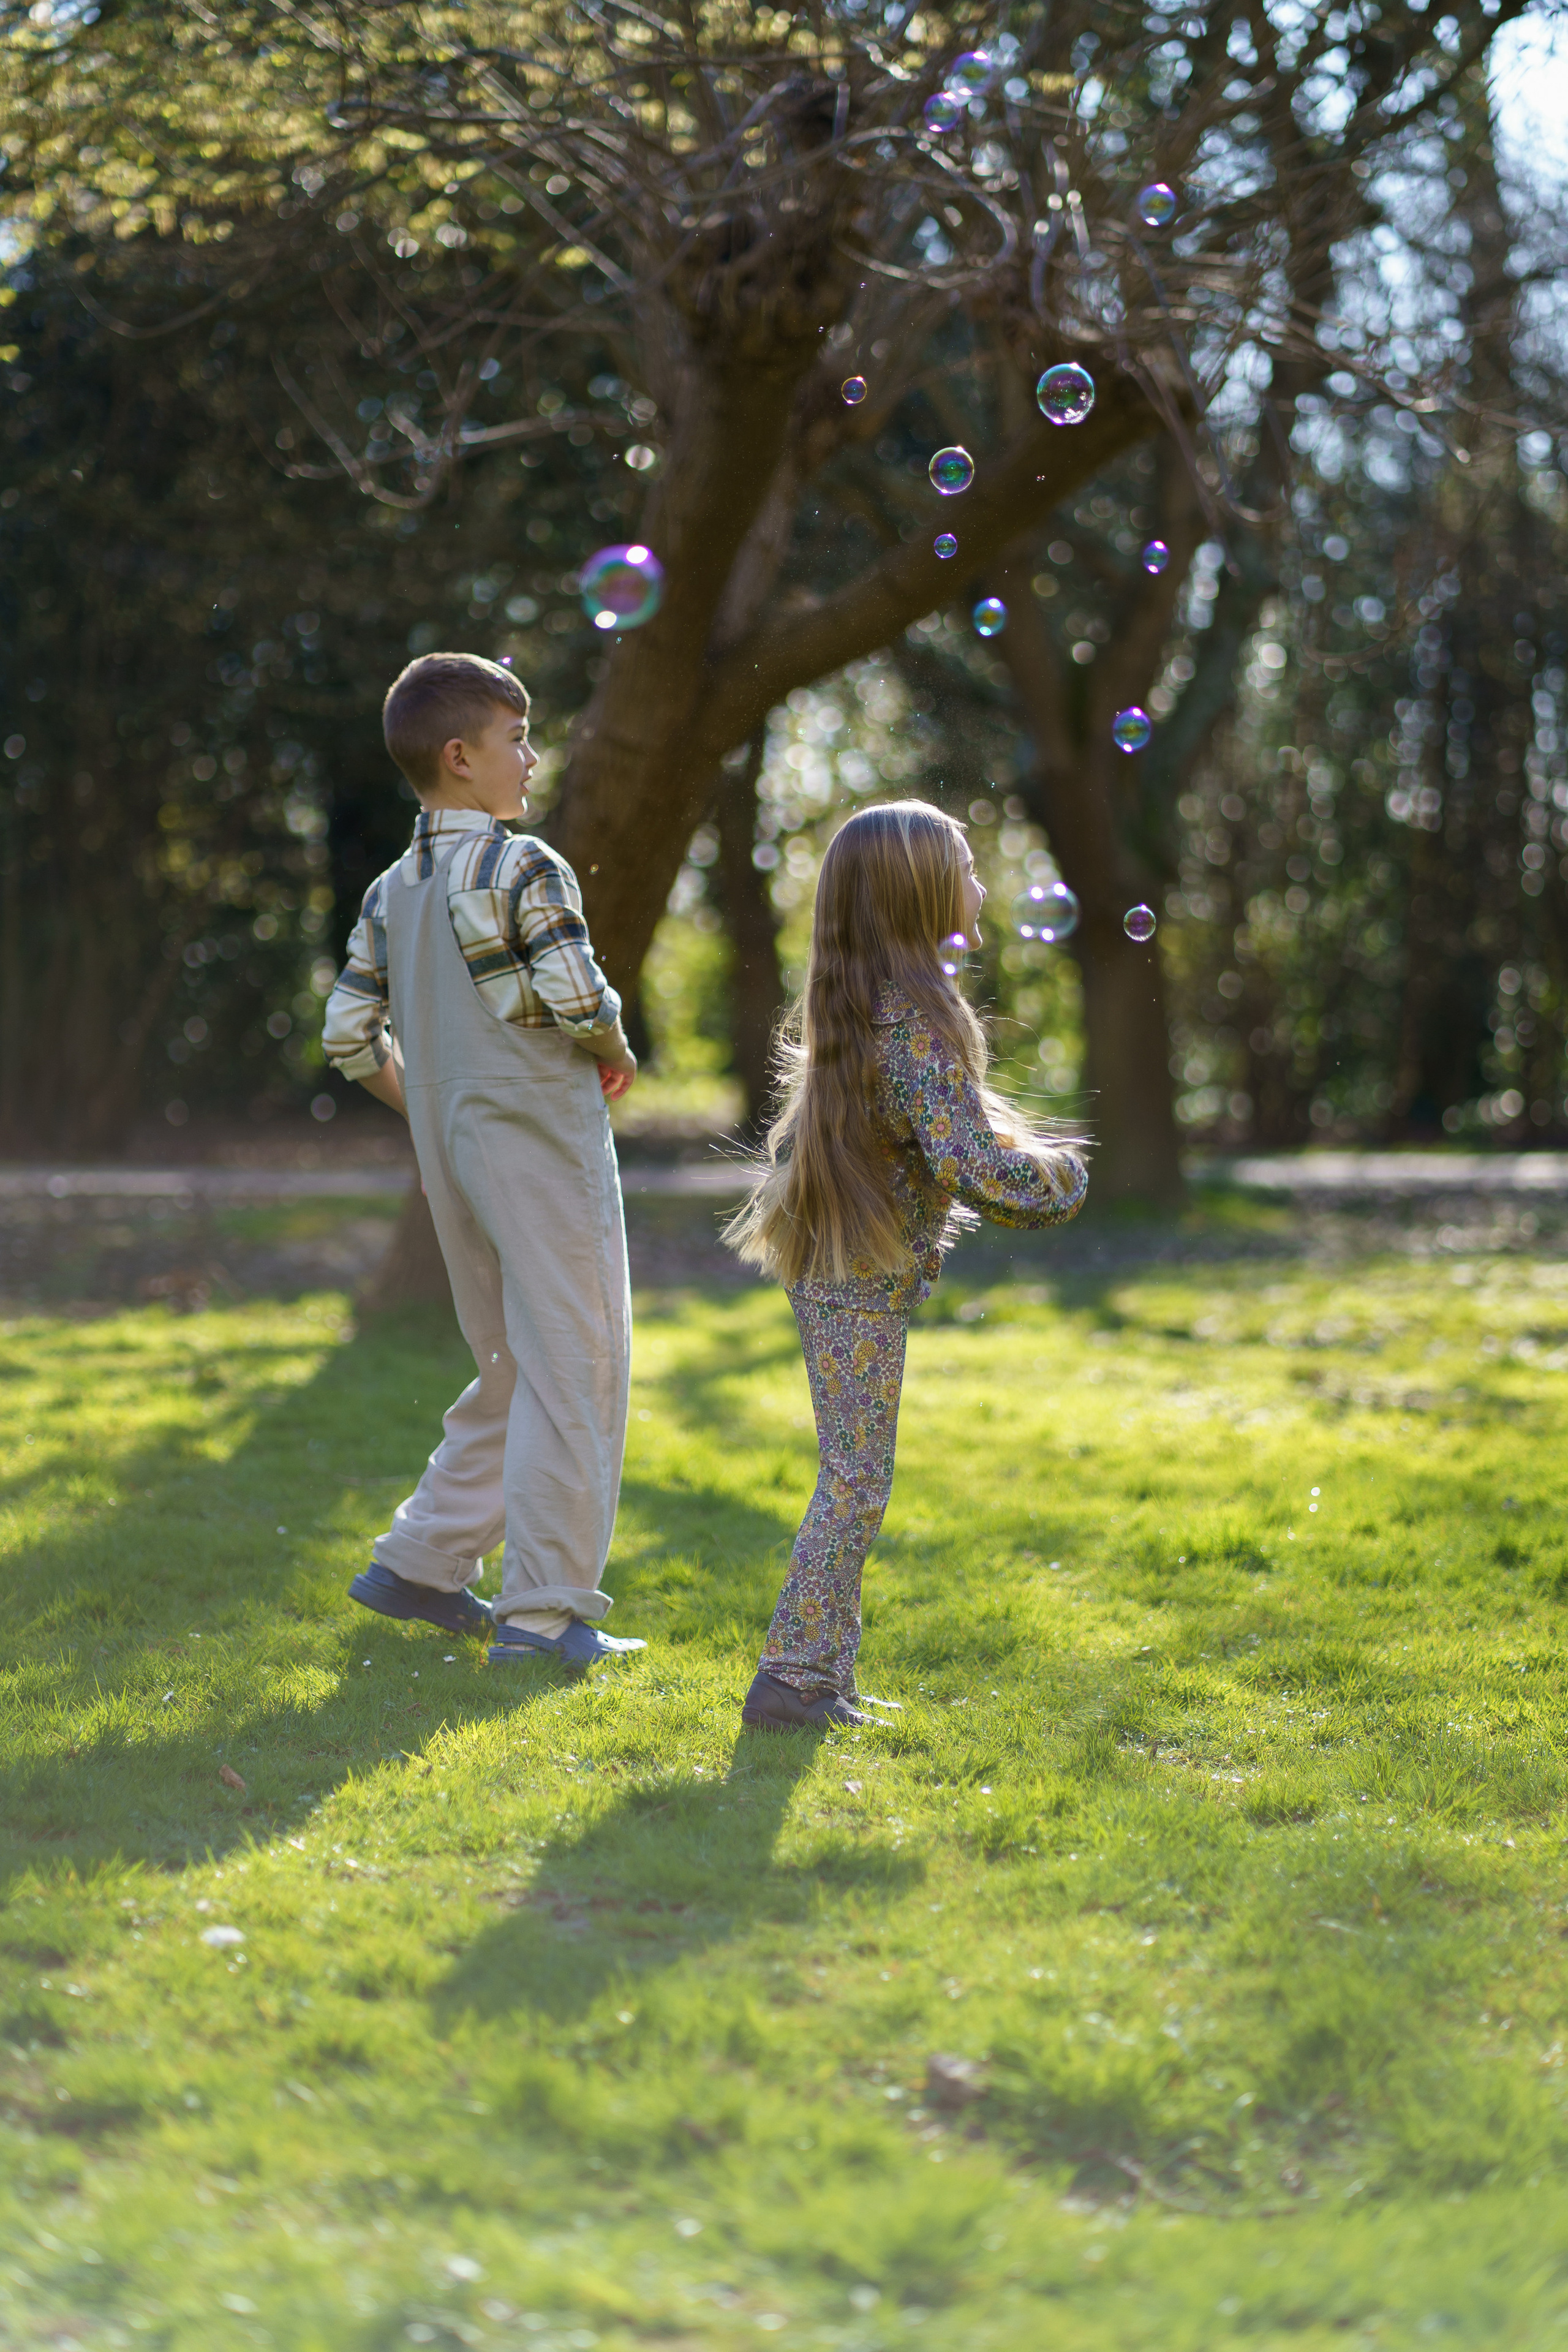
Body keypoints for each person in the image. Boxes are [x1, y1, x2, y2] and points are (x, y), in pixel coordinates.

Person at [723, 800, 1088, 1730]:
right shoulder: (916, 1020)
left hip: (848, 1270)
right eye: (964, 866)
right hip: (854, 1280)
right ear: (921, 892)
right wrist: (1062, 1180)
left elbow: (940, 1136)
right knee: (854, 1482)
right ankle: (792, 1677)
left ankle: (824, 1678)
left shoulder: (882, 1003)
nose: (978, 882)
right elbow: (972, 1166)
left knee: (855, 1478)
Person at [322, 651, 646, 1675]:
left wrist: (434, 1106)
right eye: (518, 738)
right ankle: (546, 1615)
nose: (533, 756)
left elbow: (346, 1036)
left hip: (453, 1157)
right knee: (579, 1368)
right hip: (543, 1149)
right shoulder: (522, 866)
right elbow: (580, 1000)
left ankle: (421, 1563)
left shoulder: (391, 887)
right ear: (461, 757)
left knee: (513, 1366)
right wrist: (617, 1051)